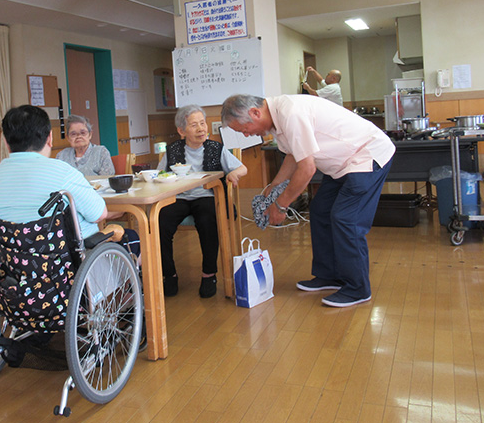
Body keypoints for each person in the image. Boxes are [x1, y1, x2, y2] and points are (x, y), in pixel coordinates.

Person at [221, 93, 394, 308]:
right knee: (320, 210)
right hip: (342, 163)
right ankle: (330, 275)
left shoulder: (291, 114)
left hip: (366, 156)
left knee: (345, 219)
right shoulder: (276, 120)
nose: (247, 135)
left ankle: (358, 288)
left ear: (255, 113)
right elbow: (293, 156)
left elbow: (307, 168)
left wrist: (280, 206)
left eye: (244, 129)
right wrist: (274, 186)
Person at [0, 105, 137, 252]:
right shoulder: (61, 170)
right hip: (66, 258)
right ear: (50, 138)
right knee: (132, 238)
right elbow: (99, 214)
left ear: (6, 143)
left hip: (12, 259)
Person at [156, 104, 247, 299]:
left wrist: (233, 174)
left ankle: (209, 274)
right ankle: (169, 275)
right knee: (160, 221)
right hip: (179, 197)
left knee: (208, 219)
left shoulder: (216, 148)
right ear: (182, 131)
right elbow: (160, 174)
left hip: (207, 195)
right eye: (194, 125)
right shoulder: (172, 150)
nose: (201, 129)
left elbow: (242, 168)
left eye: (203, 123)